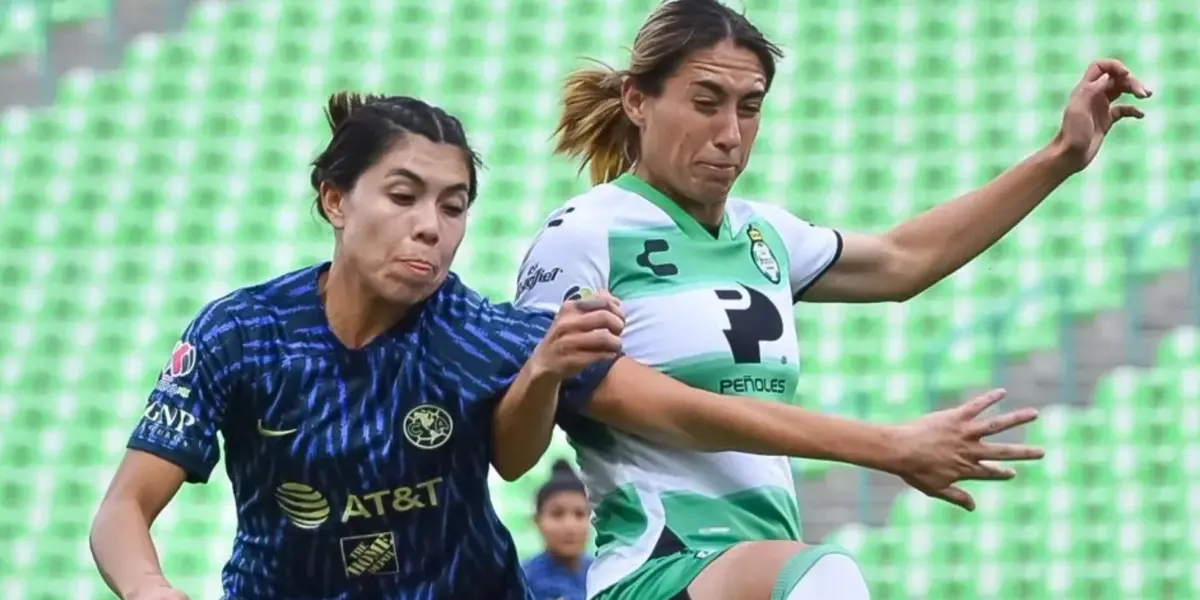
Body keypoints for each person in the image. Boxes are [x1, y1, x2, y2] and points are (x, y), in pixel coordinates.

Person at [515, 0, 1153, 599]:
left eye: (750, 107)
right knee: (826, 578)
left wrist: (1061, 156)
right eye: (705, 102)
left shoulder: (764, 234)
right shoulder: (585, 235)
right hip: (657, 568)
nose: (730, 133)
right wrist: (884, 445)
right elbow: (659, 405)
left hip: (761, 570)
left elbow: (904, 260)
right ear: (637, 100)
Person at [89, 92, 628, 600]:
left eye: (453, 206)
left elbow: (515, 460)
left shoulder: (479, 331)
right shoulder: (243, 334)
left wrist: (542, 373)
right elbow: (123, 508)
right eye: (402, 196)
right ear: (335, 200)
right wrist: (147, 587)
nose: (429, 227)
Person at [523, 460, 592, 600]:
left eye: (579, 514)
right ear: (537, 521)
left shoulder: (604, 574)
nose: (569, 526)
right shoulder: (522, 579)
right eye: (557, 514)